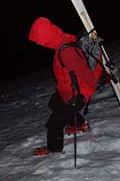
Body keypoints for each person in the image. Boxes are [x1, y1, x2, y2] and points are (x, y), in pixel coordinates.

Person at [28, 17, 110, 156]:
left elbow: (88, 77)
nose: (40, 44)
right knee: (54, 103)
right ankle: (79, 124)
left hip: (77, 95)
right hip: (67, 90)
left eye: (40, 40)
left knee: (54, 124)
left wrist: (83, 96)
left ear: (46, 36)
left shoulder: (66, 52)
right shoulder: (64, 41)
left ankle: (54, 149)